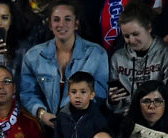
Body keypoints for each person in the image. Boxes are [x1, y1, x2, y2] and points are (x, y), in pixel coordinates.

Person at [19, 0, 108, 129]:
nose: (61, 24)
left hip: (83, 127)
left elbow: (100, 94)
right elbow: (28, 93)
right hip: (45, 129)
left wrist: (69, 115)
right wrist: (42, 114)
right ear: (50, 25)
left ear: (76, 23)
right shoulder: (33, 56)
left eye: (67, 19)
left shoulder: (97, 54)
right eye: (56, 19)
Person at [106, 4, 168, 117]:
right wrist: (113, 101)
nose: (131, 40)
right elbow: (115, 108)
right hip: (125, 119)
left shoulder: (165, 53)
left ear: (149, 27)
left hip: (156, 118)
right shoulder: (117, 57)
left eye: (135, 34)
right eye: (126, 36)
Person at [53, 71, 108, 138]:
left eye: (83, 92)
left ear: (92, 95)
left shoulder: (99, 118)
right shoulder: (62, 117)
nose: (77, 96)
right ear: (68, 94)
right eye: (73, 92)